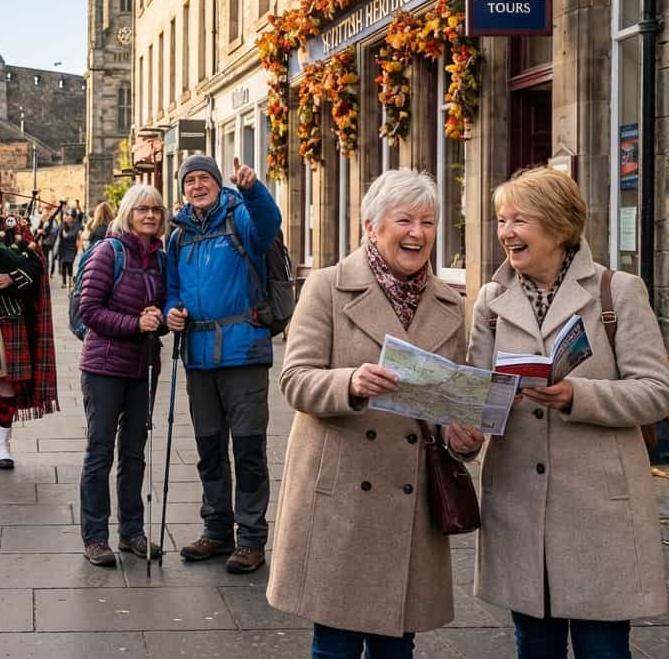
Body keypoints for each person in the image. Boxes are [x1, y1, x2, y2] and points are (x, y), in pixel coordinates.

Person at [267, 169, 479, 657]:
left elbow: (450, 400)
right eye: (404, 220)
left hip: (409, 500)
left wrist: (463, 437)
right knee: (336, 642)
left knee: (396, 642)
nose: (417, 233)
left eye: (427, 222)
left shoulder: (450, 303)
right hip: (341, 491)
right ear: (370, 226)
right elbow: (294, 381)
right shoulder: (326, 288)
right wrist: (350, 383)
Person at [468, 167, 669, 659]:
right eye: (501, 220)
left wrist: (576, 396)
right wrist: (464, 414)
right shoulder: (492, 301)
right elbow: (477, 394)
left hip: (598, 513)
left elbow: (655, 393)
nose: (506, 232)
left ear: (559, 226)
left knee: (603, 647)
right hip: (520, 507)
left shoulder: (617, 292)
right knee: (534, 646)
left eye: (520, 219)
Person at [163, 154, 280, 574]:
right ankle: (216, 529)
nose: (197, 186)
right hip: (198, 355)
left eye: (203, 179)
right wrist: (171, 312)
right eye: (189, 181)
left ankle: (251, 538)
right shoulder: (177, 236)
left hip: (244, 350)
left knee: (248, 447)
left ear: (217, 183)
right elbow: (172, 290)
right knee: (209, 449)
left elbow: (269, 225)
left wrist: (252, 188)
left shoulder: (240, 219)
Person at [76, 185, 166, 566]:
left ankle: (132, 531)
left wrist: (164, 318)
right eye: (142, 209)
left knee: (134, 453)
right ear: (128, 213)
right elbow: (88, 310)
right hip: (104, 366)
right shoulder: (107, 251)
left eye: (157, 210)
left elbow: (160, 309)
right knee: (100, 451)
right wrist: (135, 323)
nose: (150, 215)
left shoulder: (160, 259)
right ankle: (96, 536)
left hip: (142, 366)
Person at [0, 177, 59, 470]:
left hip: (8, 315)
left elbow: (36, 265)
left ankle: (3, 444)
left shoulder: (15, 229)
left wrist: (10, 279)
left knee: (6, 382)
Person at [54, 212, 81, 289]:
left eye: (68, 218)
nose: (67, 219)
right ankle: (64, 283)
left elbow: (79, 220)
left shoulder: (74, 228)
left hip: (72, 249)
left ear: (71, 219)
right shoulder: (62, 228)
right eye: (66, 218)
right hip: (64, 249)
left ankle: (70, 282)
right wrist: (58, 251)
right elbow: (60, 241)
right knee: (63, 265)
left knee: (69, 265)